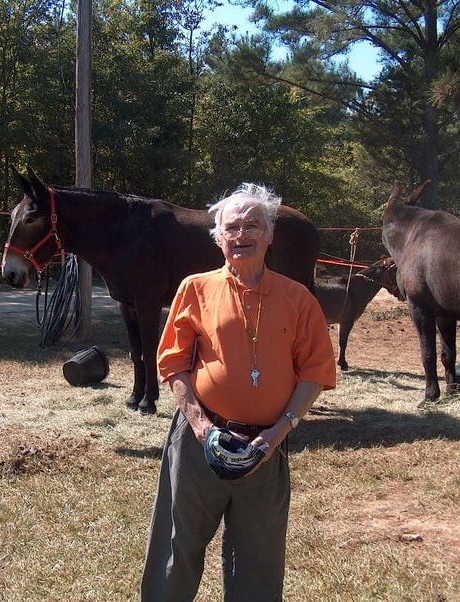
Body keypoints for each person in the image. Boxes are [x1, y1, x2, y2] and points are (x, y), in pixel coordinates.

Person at [140, 183, 336, 601]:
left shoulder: (298, 299)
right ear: (218, 237)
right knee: (175, 550)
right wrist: (200, 427)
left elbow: (315, 371)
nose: (241, 234)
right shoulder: (194, 288)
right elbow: (173, 362)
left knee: (258, 562)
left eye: (253, 225)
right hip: (197, 444)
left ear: (269, 236)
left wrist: (280, 431)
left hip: (267, 445)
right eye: (232, 227)